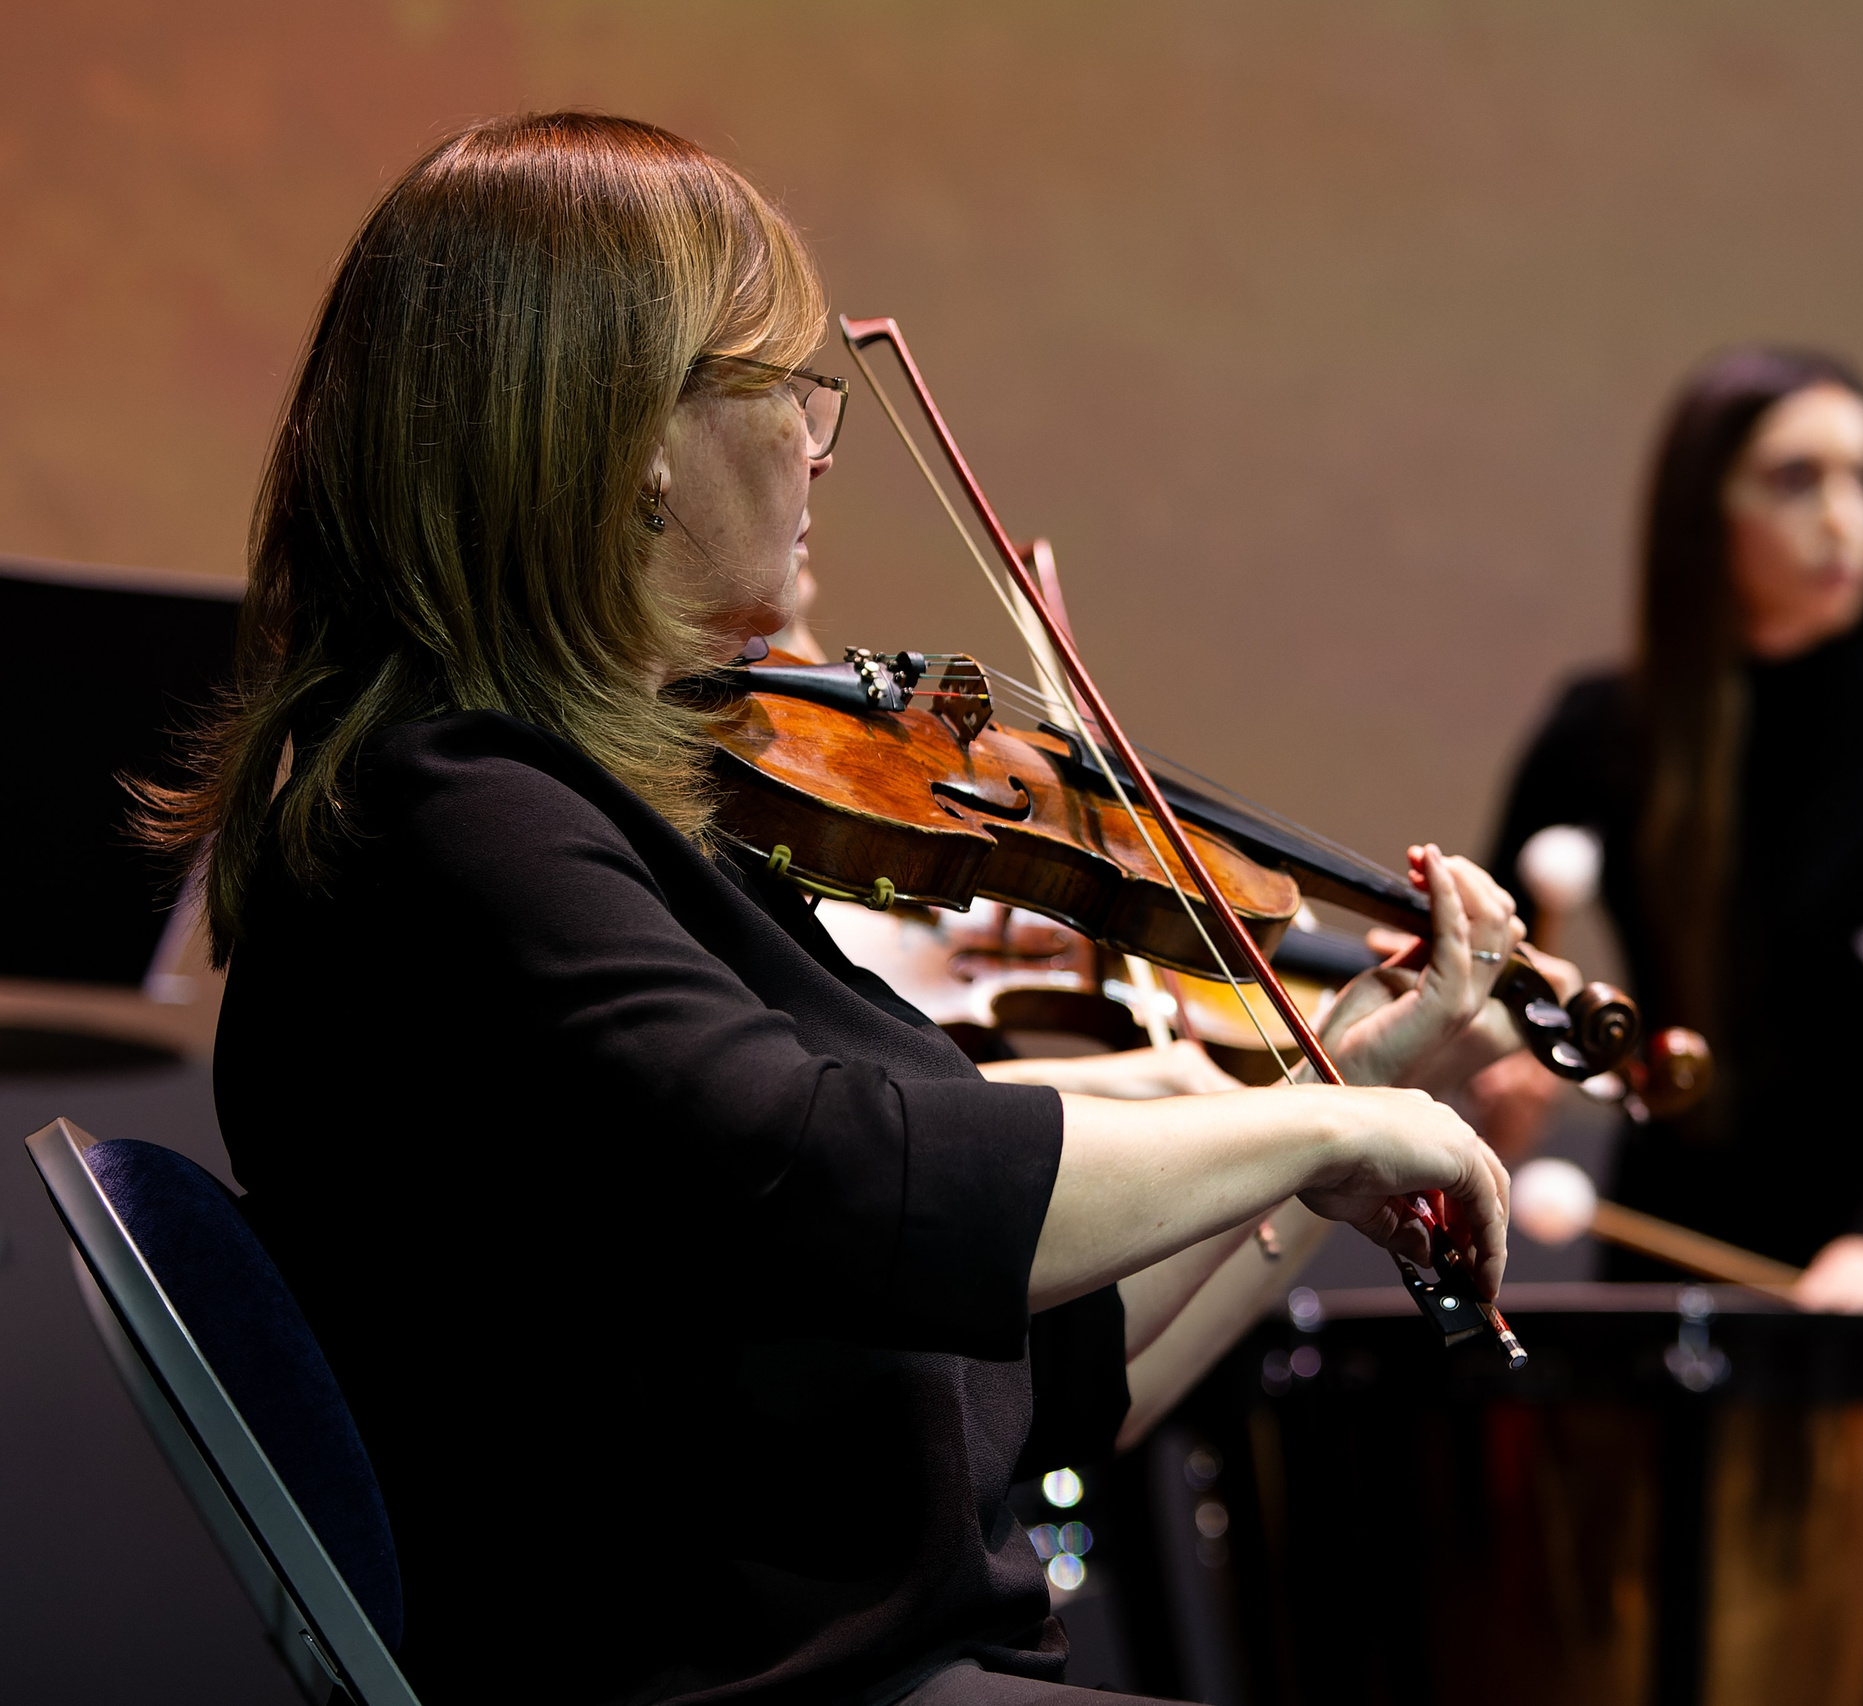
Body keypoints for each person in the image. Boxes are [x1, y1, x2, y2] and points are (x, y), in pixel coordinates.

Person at [147, 112, 1528, 1705]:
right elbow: (837, 1167)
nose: (818, 443)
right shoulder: (451, 821)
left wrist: (1334, 1092)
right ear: (632, 432)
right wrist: (1311, 1135)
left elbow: (1061, 1382)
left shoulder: (625, 811)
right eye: (789, 389)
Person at [1488, 346, 1863, 1317]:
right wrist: (1491, 1066)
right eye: (1796, 480)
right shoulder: (1598, 733)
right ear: (1702, 510)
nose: (1845, 518)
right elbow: (1487, 970)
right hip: (1677, 1226)